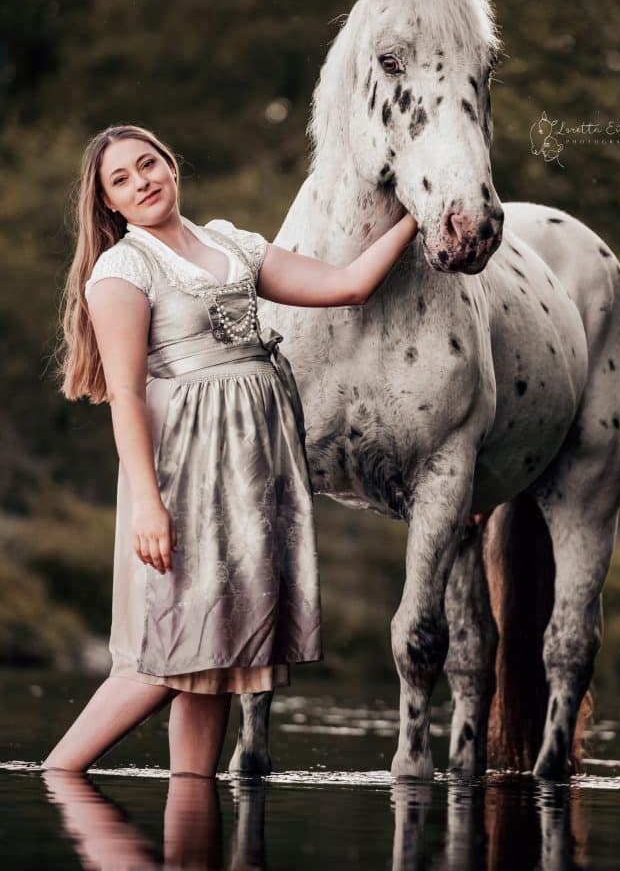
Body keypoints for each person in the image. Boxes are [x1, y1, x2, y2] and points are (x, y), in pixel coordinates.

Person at [42, 123, 418, 777]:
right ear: (109, 203)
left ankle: (191, 803)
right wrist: (148, 510)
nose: (143, 182)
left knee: (217, 659)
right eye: (122, 179)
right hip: (182, 469)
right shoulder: (124, 267)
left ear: (171, 163)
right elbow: (127, 394)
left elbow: (349, 285)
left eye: (148, 163)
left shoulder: (229, 243)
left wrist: (419, 213)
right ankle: (60, 779)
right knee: (170, 649)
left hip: (250, 466)